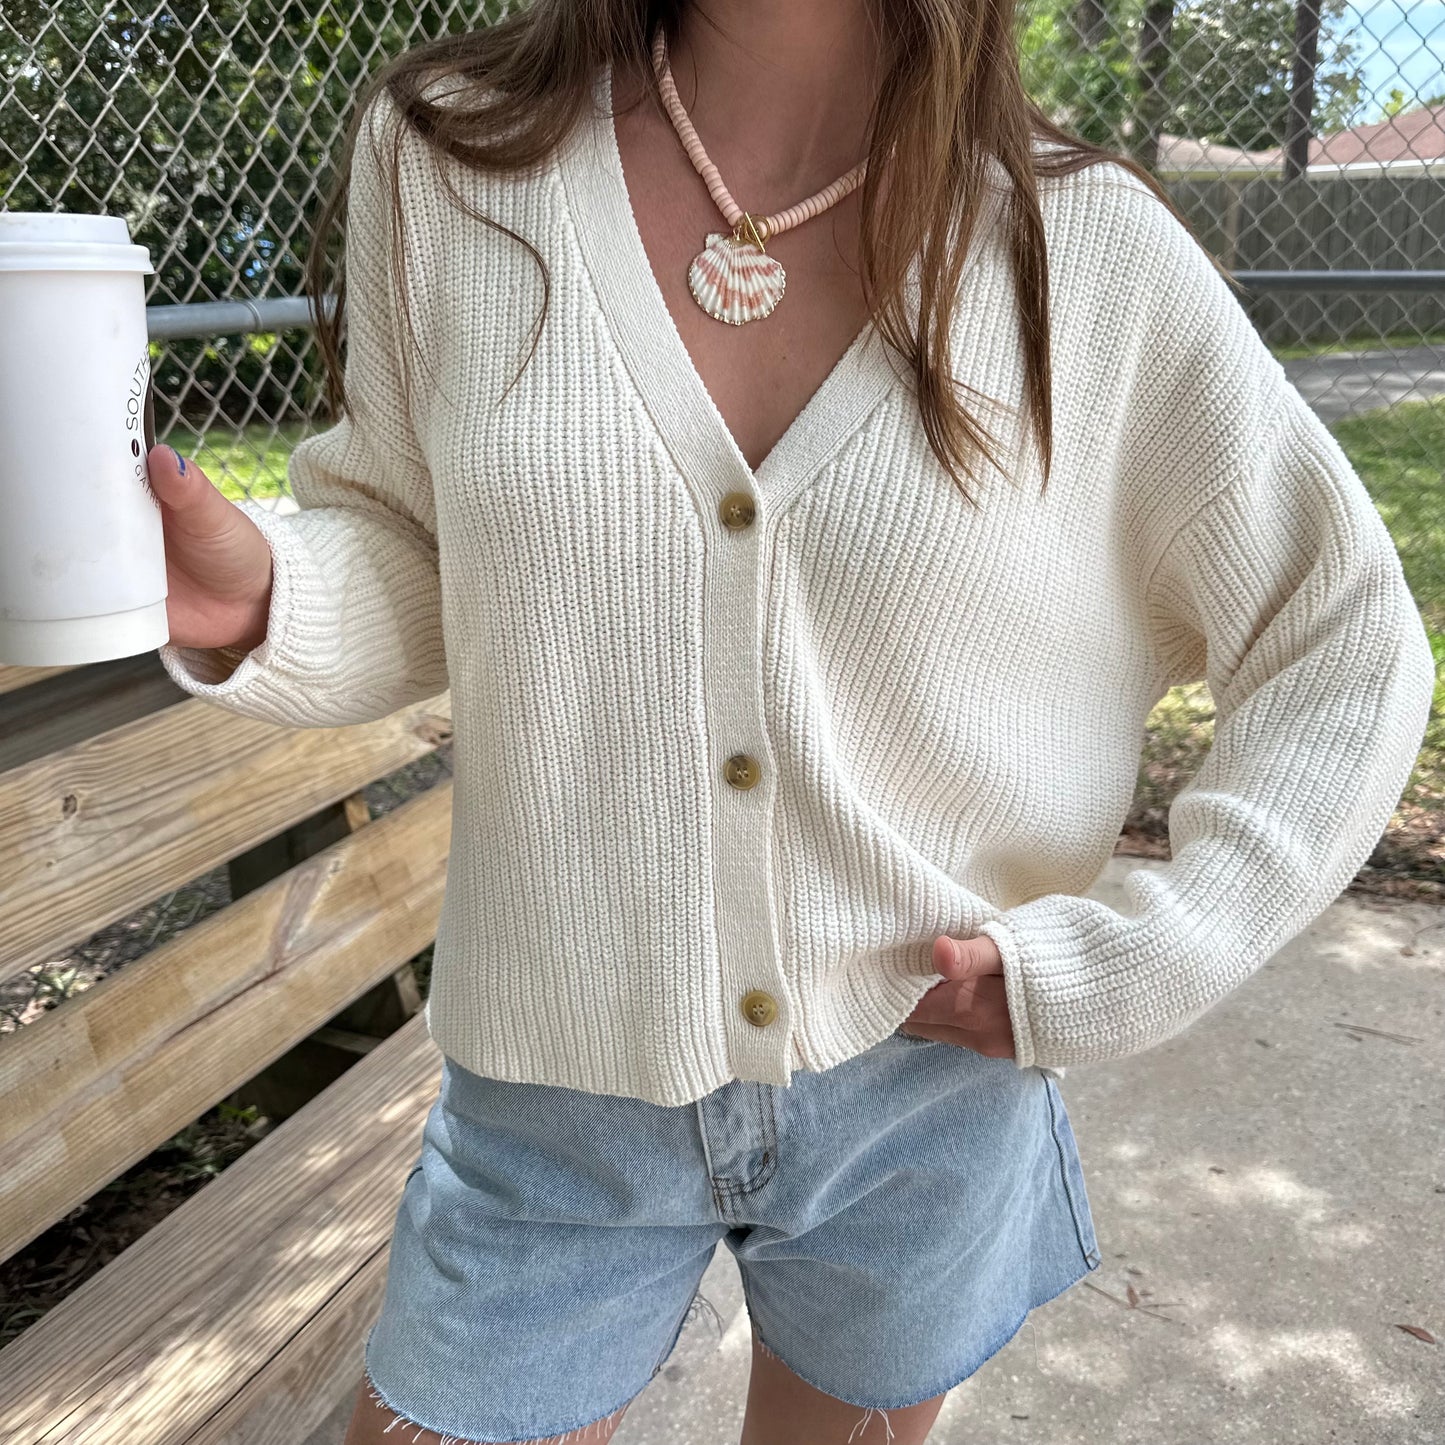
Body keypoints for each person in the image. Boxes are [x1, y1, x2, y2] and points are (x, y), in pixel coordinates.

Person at [145, 1, 1437, 1441]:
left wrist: (1147, 953)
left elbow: (1341, 640)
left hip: (928, 1073)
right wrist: (263, 595)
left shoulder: (1082, 252)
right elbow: (423, 551)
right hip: (555, 1060)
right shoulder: (450, 160)